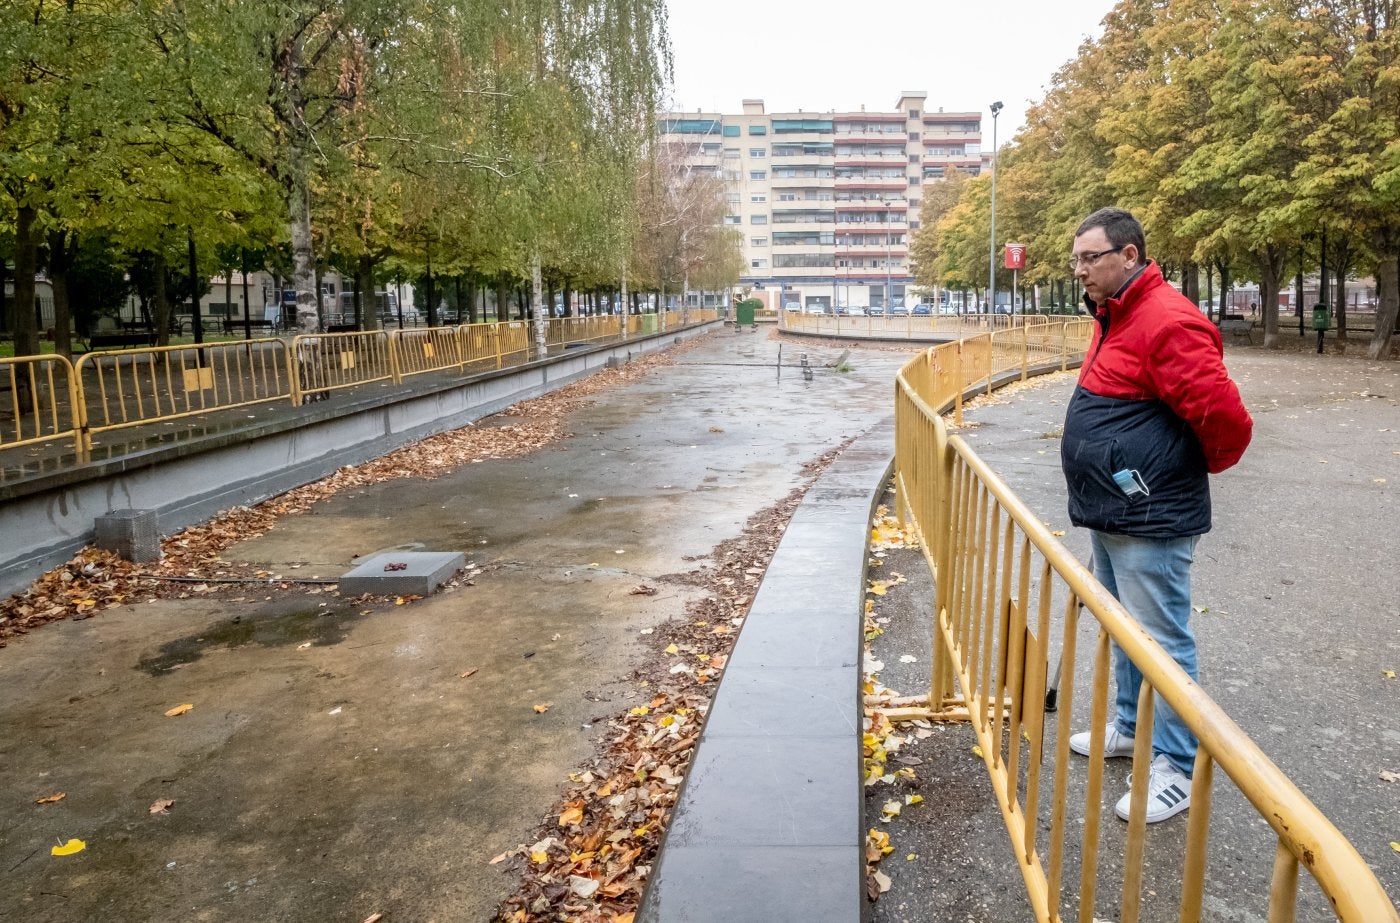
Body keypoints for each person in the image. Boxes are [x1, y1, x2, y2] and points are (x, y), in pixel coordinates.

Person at [1060, 207, 1252, 823]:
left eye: (1092, 257)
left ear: (1131, 255)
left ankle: (1174, 762)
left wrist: (1170, 477)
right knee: (1124, 627)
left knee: (1163, 640)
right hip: (1114, 508)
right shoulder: (1115, 311)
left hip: (1148, 514)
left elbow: (1226, 420)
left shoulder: (1166, 318)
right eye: (1076, 259)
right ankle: (1129, 727)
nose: (1081, 269)